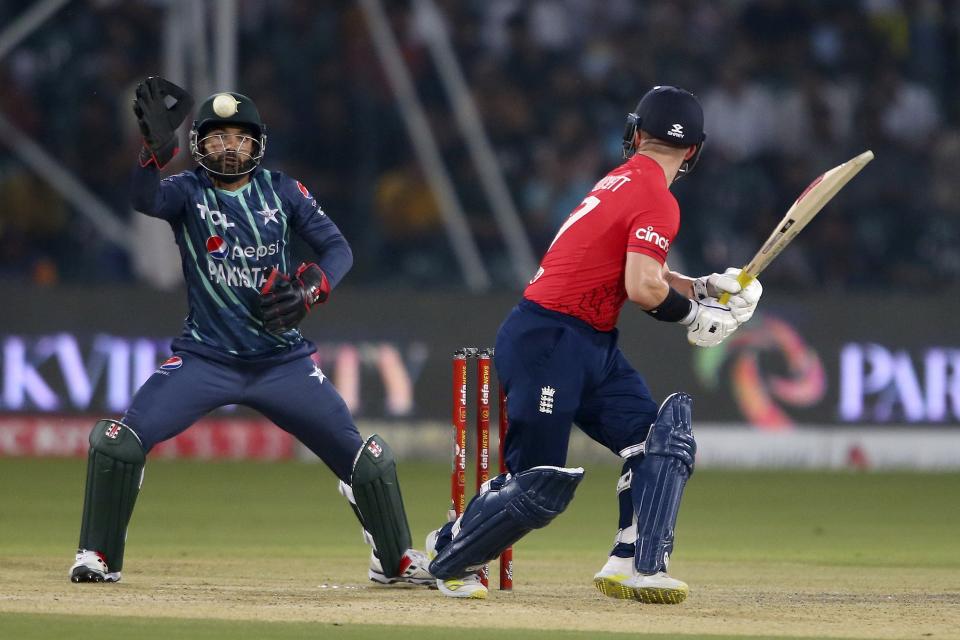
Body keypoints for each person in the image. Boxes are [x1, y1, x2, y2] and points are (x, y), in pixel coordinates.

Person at [68, 77, 432, 588]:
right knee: (118, 444)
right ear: (199, 145)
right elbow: (143, 198)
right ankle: (98, 555)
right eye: (216, 137)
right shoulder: (186, 191)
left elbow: (339, 251)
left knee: (366, 462)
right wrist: (152, 152)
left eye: (239, 137)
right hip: (205, 359)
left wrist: (311, 290)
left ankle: (393, 561)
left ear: (257, 143)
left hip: (282, 363)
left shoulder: (284, 190)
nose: (229, 147)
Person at [425, 86, 763, 601]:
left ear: (635, 133)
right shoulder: (657, 197)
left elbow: (639, 270)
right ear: (695, 149)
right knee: (538, 486)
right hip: (550, 340)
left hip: (587, 340)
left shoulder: (623, 181)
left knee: (659, 441)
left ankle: (632, 562)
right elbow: (642, 287)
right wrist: (696, 317)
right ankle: (451, 555)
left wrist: (701, 287)